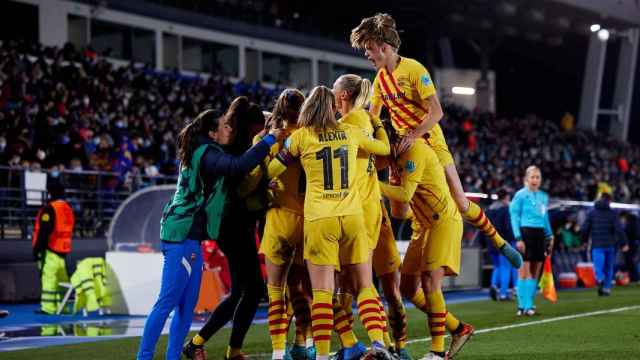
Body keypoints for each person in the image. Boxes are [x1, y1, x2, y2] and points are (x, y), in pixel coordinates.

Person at [349, 13, 522, 270]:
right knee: (397, 212)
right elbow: (373, 118)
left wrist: (412, 135)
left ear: (384, 48)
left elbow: (437, 113)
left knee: (462, 203)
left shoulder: (415, 70)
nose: (367, 55)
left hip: (430, 142)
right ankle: (428, 215)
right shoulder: (380, 80)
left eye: (369, 49)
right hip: (404, 148)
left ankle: (499, 242)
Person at [137, 108, 282, 360]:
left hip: (189, 235)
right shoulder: (206, 153)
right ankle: (144, 357)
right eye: (225, 126)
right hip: (181, 233)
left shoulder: (207, 151)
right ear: (213, 133)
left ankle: (173, 356)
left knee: (185, 306)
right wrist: (270, 138)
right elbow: (237, 166)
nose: (230, 129)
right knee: (168, 302)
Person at [268, 86, 393, 360]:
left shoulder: (302, 136)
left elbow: (273, 168)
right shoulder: (350, 132)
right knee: (364, 285)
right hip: (352, 216)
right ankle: (379, 344)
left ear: (308, 108)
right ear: (334, 108)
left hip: (320, 219)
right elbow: (384, 149)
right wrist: (377, 124)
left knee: (322, 292)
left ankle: (323, 356)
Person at [181, 98, 283, 360]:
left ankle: (210, 345)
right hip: (233, 225)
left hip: (236, 225)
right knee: (251, 290)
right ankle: (210, 346)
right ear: (252, 128)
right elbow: (241, 182)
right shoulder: (237, 150)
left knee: (244, 290)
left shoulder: (236, 143)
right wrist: (269, 143)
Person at [379, 122, 473, 360]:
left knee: (431, 283)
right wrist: (387, 176)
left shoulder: (415, 151)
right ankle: (459, 328)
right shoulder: (395, 159)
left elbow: (405, 195)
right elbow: (399, 212)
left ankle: (437, 352)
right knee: (408, 288)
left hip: (443, 222)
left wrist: (372, 183)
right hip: (423, 225)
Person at [332, 74, 409, 359]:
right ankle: (388, 344)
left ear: (342, 96)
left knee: (343, 285)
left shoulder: (344, 126)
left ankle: (363, 344)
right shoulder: (366, 121)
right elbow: (383, 152)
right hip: (374, 211)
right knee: (367, 284)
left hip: (351, 213)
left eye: (333, 91)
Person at [509, 166, 553, 316]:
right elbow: (514, 217)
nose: (535, 180)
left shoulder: (543, 197)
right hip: (525, 233)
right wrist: (518, 237)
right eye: (532, 177)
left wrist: (550, 235)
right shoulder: (520, 195)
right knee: (524, 272)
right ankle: (522, 306)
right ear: (526, 179)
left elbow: (545, 218)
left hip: (540, 235)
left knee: (535, 273)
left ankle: (530, 305)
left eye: (538, 177)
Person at [32, 182, 74, 315]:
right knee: (62, 281)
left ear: (50, 193)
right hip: (63, 250)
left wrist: (37, 249)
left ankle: (48, 309)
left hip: (50, 249)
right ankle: (64, 308)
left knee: (48, 279)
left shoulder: (50, 208)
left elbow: (44, 231)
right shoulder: (67, 208)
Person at [580, 193, 628, 296]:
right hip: (610, 245)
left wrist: (583, 242)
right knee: (609, 267)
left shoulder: (592, 213)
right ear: (609, 201)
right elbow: (619, 229)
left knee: (598, 266)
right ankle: (606, 288)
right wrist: (624, 243)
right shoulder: (613, 213)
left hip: (597, 245)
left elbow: (584, 229)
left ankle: (600, 278)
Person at [478, 189, 517, 301]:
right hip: (502, 242)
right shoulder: (505, 209)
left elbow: (482, 226)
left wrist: (483, 243)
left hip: (490, 242)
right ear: (505, 198)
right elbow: (507, 227)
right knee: (506, 267)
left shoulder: (488, 210)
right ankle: (503, 294)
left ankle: (494, 286)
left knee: (497, 266)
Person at [620, 211, 639, 283]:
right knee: (631, 261)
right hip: (634, 244)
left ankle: (634, 278)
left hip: (630, 244)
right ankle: (633, 278)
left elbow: (628, 233)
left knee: (629, 261)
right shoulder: (635, 221)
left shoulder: (630, 222)